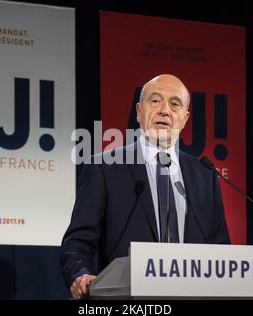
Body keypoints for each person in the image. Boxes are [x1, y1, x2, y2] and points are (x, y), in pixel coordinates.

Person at [60, 74, 230, 299]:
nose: (165, 111)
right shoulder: (104, 167)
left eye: (175, 104)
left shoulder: (205, 175)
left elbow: (220, 249)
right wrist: (81, 275)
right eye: (155, 101)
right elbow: (78, 241)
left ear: (185, 118)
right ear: (139, 111)